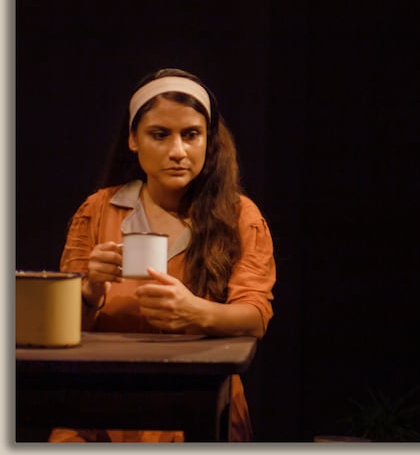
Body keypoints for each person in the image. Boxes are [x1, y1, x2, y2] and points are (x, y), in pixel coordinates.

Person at [51, 68, 276, 442]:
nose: (177, 151)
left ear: (208, 141)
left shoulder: (239, 216)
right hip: (100, 404)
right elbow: (59, 327)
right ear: (133, 140)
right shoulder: (99, 210)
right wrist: (89, 290)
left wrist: (193, 311)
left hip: (198, 405)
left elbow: (254, 317)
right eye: (159, 135)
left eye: (191, 135)